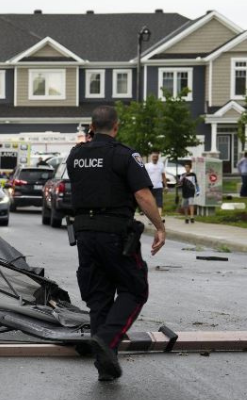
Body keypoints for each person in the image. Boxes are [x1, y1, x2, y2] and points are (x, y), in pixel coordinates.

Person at [67, 105, 165, 381]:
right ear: (116, 126)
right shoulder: (124, 155)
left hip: (84, 234)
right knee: (135, 289)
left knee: (99, 298)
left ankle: (105, 366)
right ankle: (108, 339)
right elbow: (144, 196)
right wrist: (159, 226)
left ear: (91, 126)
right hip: (115, 234)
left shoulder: (76, 156)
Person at [144, 150, 167, 221]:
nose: (155, 158)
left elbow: (163, 176)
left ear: (158, 158)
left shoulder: (161, 165)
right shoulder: (147, 166)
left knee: (159, 203)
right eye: (154, 157)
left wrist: (165, 186)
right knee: (151, 203)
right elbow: (144, 176)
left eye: (156, 157)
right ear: (151, 157)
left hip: (159, 186)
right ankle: (152, 218)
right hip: (150, 187)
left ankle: (159, 218)